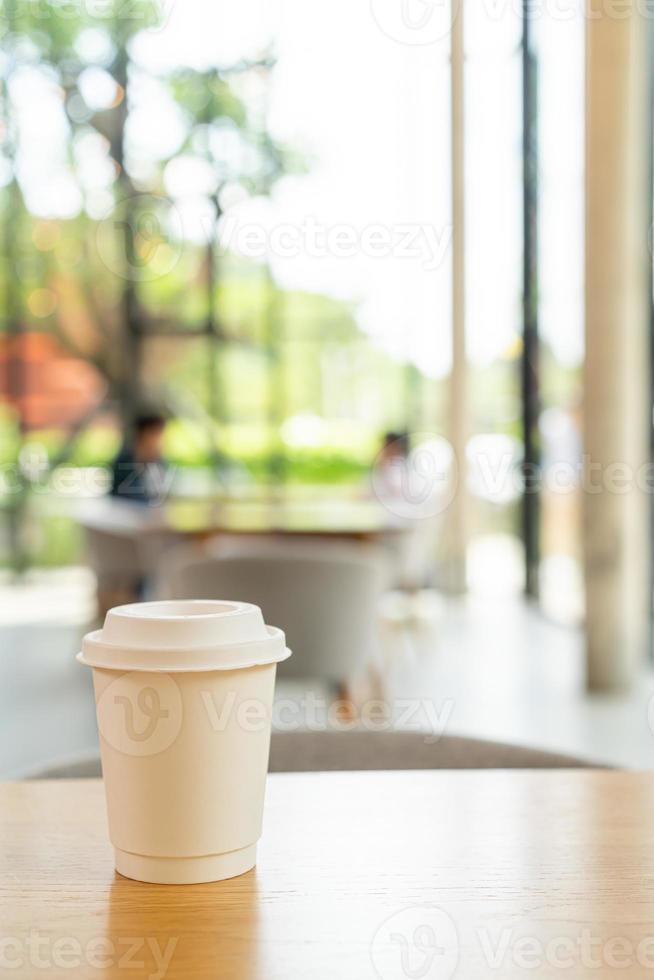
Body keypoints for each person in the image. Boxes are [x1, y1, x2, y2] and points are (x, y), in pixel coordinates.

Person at [110, 412, 168, 505]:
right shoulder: (124, 461)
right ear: (142, 434)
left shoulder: (160, 462)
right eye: (154, 433)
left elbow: (160, 495)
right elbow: (128, 497)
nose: (159, 440)